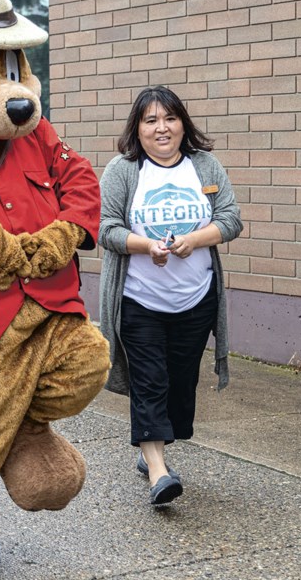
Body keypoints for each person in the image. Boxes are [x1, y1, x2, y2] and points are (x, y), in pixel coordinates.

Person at [98, 85, 244, 505]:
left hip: (196, 300)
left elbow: (231, 218)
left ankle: (154, 450)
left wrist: (195, 240)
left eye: (169, 118)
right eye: (150, 120)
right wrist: (146, 246)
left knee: (180, 385)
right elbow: (105, 228)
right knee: (150, 381)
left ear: (183, 124)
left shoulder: (205, 167)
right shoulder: (124, 171)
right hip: (138, 300)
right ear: (138, 129)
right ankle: (159, 472)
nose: (161, 128)